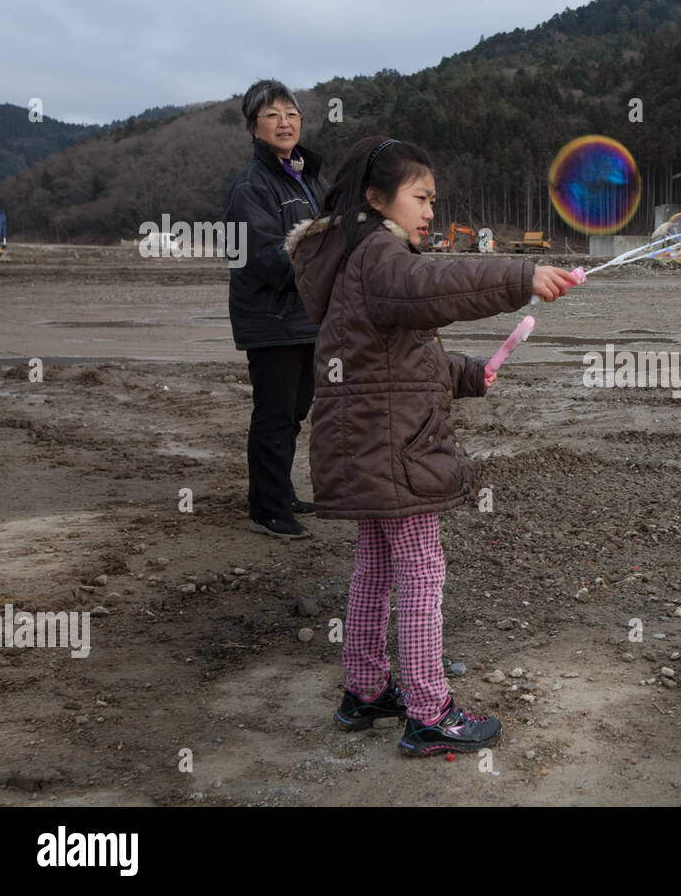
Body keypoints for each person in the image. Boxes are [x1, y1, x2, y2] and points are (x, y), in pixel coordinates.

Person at [287, 136, 578, 755]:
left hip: (368, 446)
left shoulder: (355, 260)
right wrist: (522, 276)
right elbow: (437, 287)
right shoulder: (381, 257)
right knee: (421, 571)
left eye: (433, 200)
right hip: (394, 452)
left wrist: (469, 374)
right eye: (420, 198)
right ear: (376, 197)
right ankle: (428, 709)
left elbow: (396, 359)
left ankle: (365, 690)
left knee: (377, 568)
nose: (429, 212)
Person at [223, 79, 327, 539]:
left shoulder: (311, 178)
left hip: (306, 318)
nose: (284, 122)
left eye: (291, 113)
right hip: (270, 318)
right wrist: (323, 263)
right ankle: (265, 509)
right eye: (272, 115)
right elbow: (268, 258)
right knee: (274, 414)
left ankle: (280, 492)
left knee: (297, 409)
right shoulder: (250, 186)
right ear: (254, 127)